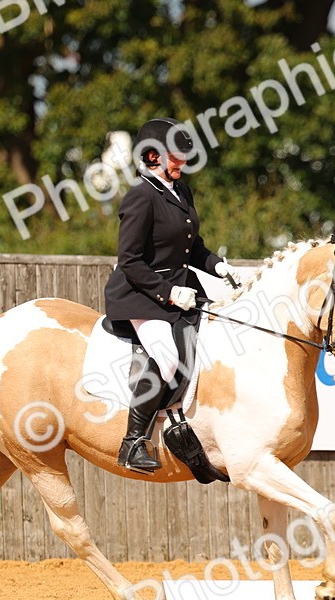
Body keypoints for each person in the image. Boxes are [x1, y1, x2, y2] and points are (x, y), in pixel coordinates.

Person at [104, 117, 236, 473]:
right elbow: (129, 262)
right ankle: (133, 443)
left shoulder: (180, 192)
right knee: (167, 359)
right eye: (175, 157)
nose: (183, 163)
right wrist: (169, 294)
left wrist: (220, 267)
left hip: (181, 290)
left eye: (184, 157)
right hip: (140, 295)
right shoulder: (140, 196)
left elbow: (193, 250)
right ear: (152, 157)